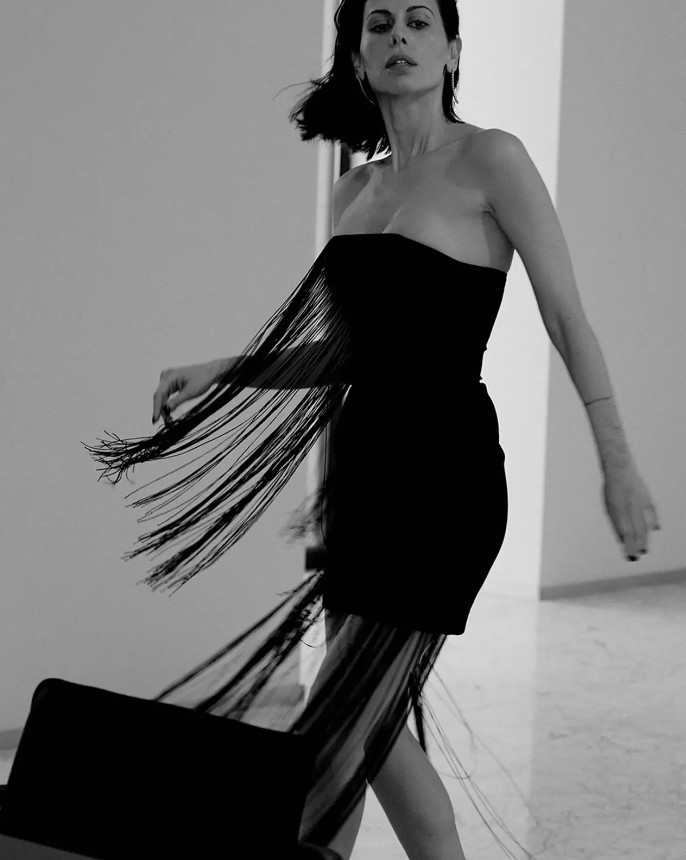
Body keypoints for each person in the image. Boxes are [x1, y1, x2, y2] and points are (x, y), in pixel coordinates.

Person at [82, 1, 660, 858]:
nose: (399, 37)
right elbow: (349, 351)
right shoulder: (354, 190)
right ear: (356, 57)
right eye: (379, 24)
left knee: (333, 727)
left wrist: (618, 461)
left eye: (419, 22)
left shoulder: (492, 159)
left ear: (452, 49)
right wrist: (227, 368)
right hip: (363, 476)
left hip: (446, 476)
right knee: (369, 731)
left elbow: (566, 317)